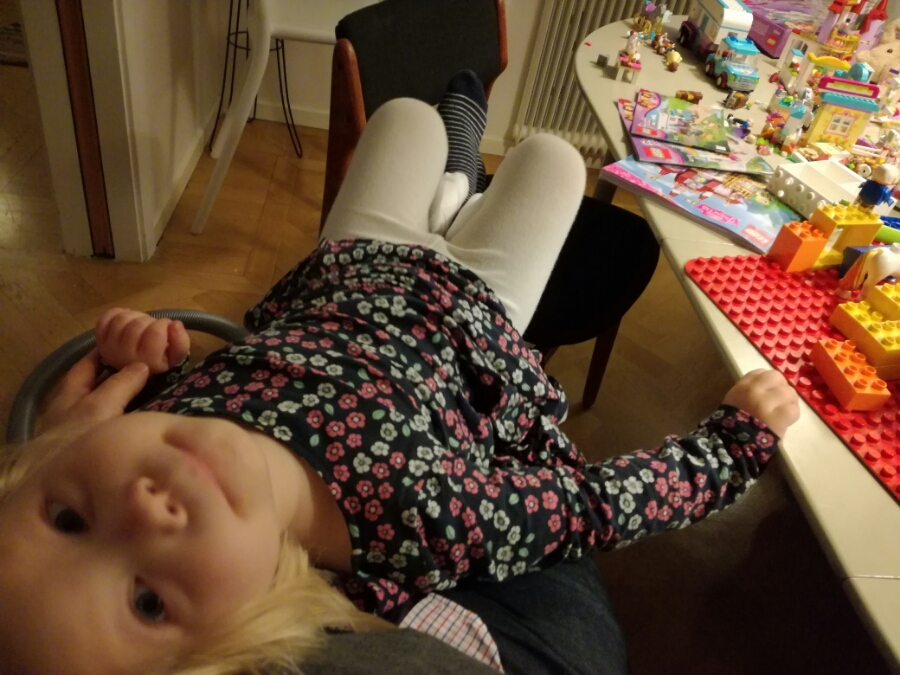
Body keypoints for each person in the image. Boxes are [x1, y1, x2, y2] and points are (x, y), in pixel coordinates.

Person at [0, 92, 801, 675]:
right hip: (479, 305)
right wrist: (728, 447)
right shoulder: (423, 520)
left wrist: (141, 354)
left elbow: (189, 373)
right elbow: (592, 506)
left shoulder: (168, 421)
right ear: (254, 635)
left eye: (68, 516)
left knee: (406, 116)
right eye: (148, 601)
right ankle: (462, 183)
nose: (140, 507)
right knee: (553, 156)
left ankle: (457, 174)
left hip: (354, 266)